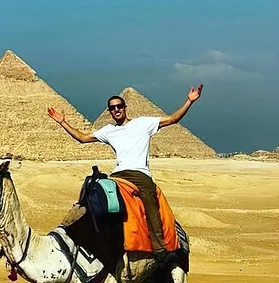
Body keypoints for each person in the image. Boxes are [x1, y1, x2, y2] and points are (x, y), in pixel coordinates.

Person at [47, 85, 203, 267]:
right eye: (112, 108)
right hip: (118, 175)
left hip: (140, 174)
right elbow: (82, 138)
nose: (116, 110)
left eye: (119, 106)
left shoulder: (143, 123)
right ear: (109, 111)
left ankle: (160, 249)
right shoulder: (108, 131)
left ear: (125, 107)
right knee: (92, 193)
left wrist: (189, 101)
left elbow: (173, 119)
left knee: (150, 202)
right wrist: (62, 122)